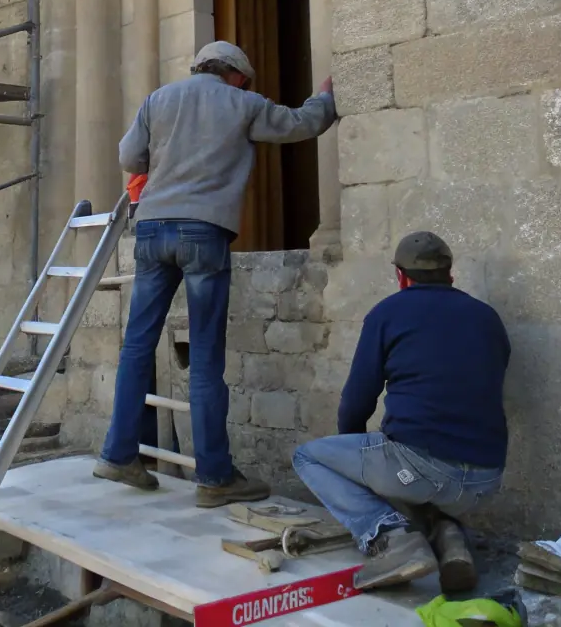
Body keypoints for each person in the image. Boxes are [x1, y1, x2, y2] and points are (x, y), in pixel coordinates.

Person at [95, 41, 337, 508]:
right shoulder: (242, 102)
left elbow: (130, 158)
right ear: (238, 77)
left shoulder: (159, 98)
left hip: (152, 228)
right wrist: (325, 97)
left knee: (137, 344)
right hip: (203, 230)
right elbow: (302, 124)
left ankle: (118, 454)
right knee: (205, 356)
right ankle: (214, 476)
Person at [292, 232, 510, 593]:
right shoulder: (487, 318)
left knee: (308, 457)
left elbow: (356, 402)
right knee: (414, 464)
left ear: (401, 277)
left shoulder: (388, 313)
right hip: (485, 481)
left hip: (422, 469)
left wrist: (357, 454)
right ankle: (450, 536)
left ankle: (391, 538)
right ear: (449, 274)